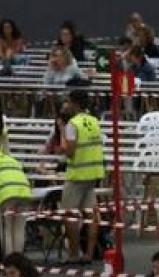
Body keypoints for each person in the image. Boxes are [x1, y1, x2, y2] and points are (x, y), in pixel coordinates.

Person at [57, 91, 104, 265]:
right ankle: (89, 253)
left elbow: (69, 151)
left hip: (77, 174)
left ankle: (74, 253)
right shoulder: (94, 121)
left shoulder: (72, 124)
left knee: (69, 214)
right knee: (91, 214)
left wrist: (62, 132)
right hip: (93, 173)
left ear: (75, 104)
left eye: (68, 102)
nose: (66, 105)